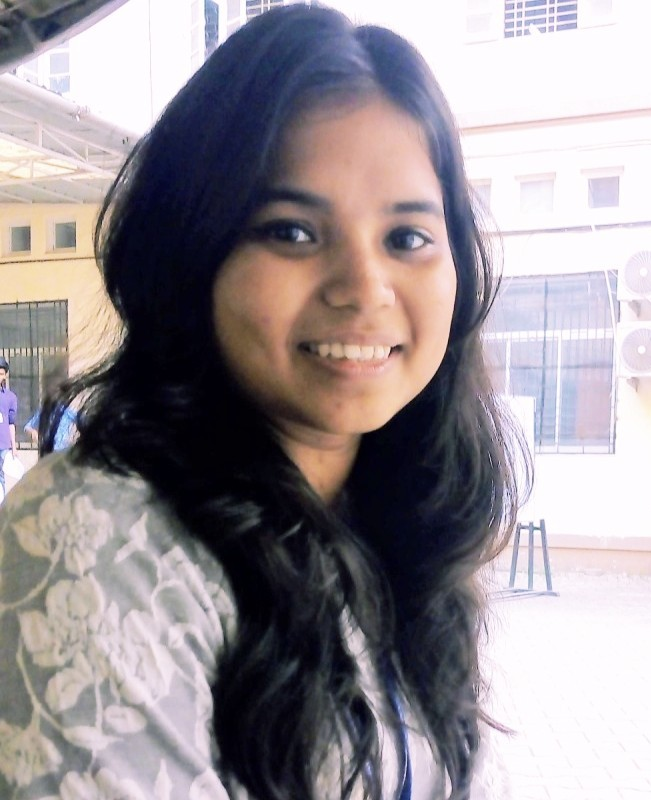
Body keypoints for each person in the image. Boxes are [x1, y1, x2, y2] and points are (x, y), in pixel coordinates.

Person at [0, 5, 528, 799]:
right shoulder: (95, 537)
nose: (365, 289)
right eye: (292, 232)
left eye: (407, 238)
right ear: (192, 250)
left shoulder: (391, 527)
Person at [23, 367, 78, 452]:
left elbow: (84, 424)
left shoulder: (67, 411)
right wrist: (33, 432)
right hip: (47, 451)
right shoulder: (44, 412)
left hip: (63, 451)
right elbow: (27, 427)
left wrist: (75, 440)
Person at [0, 355, 18, 498]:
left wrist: (13, 446)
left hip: (2, 444)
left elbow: (11, 423)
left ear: (5, 375)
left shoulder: (10, 397)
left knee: (1, 478)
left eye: (1, 373)